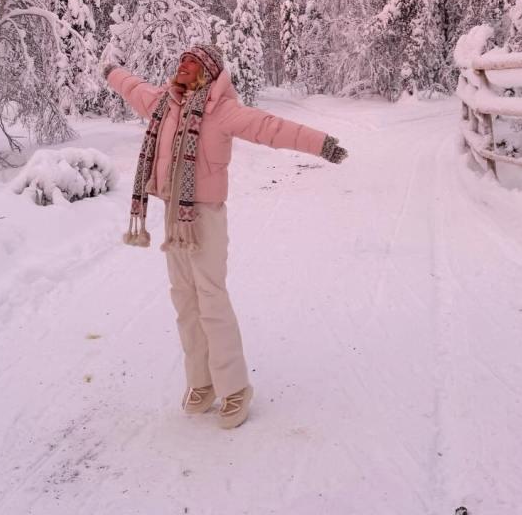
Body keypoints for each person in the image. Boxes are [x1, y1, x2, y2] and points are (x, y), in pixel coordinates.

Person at [102, 42, 347, 429]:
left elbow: (271, 128)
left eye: (191, 62)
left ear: (207, 72)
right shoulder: (163, 104)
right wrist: (112, 72)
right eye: (181, 59)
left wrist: (322, 144)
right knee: (184, 299)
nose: (182, 65)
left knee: (211, 298)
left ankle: (235, 388)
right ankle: (202, 381)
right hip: (172, 215)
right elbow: (134, 87)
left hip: (204, 216)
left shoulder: (223, 111)